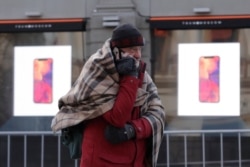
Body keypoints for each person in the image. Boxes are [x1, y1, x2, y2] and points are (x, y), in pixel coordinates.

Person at [51, 23, 166, 167]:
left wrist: (132, 130)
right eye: (132, 49)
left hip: (135, 161)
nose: (138, 55)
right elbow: (117, 118)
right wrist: (129, 78)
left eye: (139, 49)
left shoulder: (143, 77)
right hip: (102, 161)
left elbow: (158, 115)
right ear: (116, 51)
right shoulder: (98, 73)